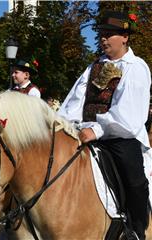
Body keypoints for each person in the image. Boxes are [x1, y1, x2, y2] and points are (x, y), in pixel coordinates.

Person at [58, 11, 151, 239]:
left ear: (125, 37)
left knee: (134, 178)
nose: (103, 39)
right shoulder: (94, 66)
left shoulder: (136, 67)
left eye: (109, 34)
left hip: (120, 135)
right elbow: (74, 101)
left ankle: (137, 229)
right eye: (101, 34)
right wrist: (63, 124)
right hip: (83, 132)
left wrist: (97, 130)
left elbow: (128, 115)